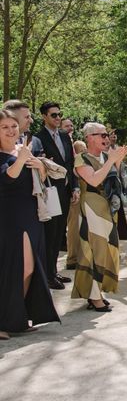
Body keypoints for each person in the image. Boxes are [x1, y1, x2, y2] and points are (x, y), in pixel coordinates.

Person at [0, 109, 60, 340]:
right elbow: (7, 177)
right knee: (15, 269)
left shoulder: (23, 150)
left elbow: (39, 181)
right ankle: (6, 319)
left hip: (32, 214)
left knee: (30, 268)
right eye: (5, 127)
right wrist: (23, 158)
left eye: (13, 126)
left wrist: (40, 167)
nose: (11, 130)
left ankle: (17, 317)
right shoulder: (13, 154)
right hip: (10, 218)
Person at [72, 122, 127, 311]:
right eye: (102, 135)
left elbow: (119, 180)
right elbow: (94, 179)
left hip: (109, 207)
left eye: (107, 135)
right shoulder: (81, 159)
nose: (106, 138)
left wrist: (117, 161)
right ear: (89, 138)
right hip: (92, 206)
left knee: (108, 249)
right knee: (95, 249)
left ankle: (98, 292)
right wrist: (112, 161)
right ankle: (94, 296)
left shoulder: (106, 156)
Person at [32, 102, 78, 290]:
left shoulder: (65, 137)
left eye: (59, 114)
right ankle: (48, 275)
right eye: (53, 115)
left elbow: (71, 163)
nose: (58, 118)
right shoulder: (38, 138)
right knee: (51, 234)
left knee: (60, 233)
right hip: (50, 192)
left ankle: (54, 271)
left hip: (66, 191)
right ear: (44, 116)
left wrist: (75, 187)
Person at [66, 140, 86, 270]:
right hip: (75, 197)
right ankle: (72, 258)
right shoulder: (74, 162)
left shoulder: (84, 160)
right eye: (81, 149)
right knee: (73, 228)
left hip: (85, 196)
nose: (84, 151)